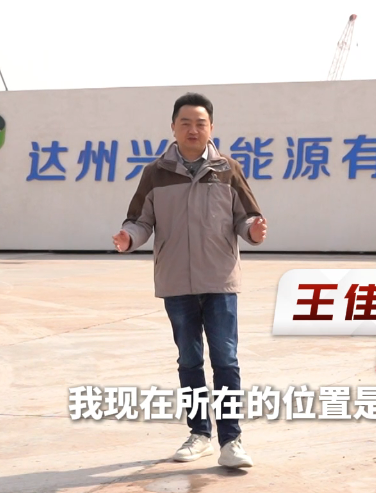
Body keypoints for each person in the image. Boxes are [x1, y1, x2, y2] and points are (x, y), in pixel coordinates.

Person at [112, 92, 267, 469]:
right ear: (173, 127)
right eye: (185, 123)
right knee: (190, 360)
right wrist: (129, 237)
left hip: (219, 280)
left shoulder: (228, 169)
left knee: (226, 359)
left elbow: (246, 216)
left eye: (200, 123)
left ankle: (231, 441)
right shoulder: (155, 173)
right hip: (176, 282)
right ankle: (199, 435)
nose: (193, 129)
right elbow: (140, 220)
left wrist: (253, 230)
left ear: (211, 128)